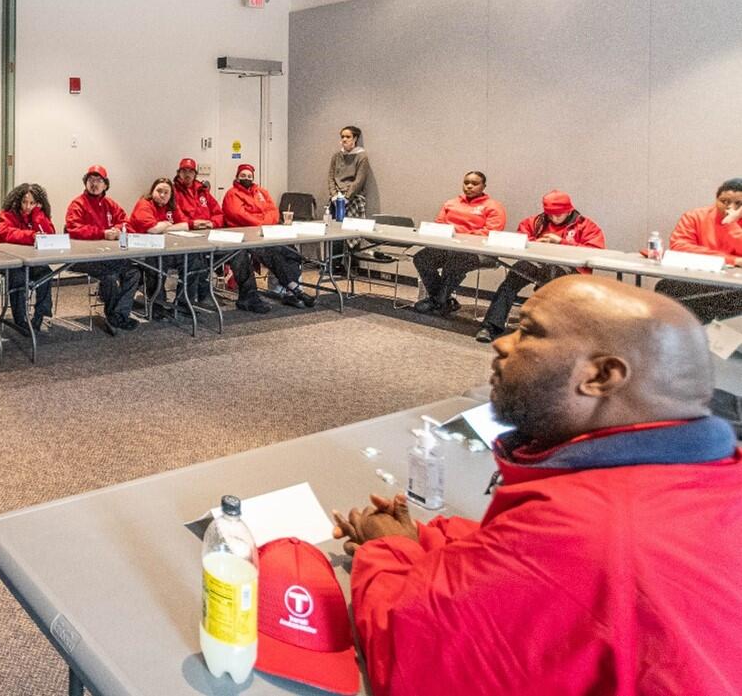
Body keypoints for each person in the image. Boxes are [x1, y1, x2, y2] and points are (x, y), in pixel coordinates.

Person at [333, 277, 742, 696]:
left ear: (601, 375)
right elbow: (539, 565)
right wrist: (431, 537)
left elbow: (411, 651)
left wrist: (384, 546)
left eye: (528, 331)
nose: (502, 344)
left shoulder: (583, 527)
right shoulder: (711, 477)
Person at [476, 189, 606, 342]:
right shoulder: (536, 221)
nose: (554, 218)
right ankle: (490, 326)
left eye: (558, 214)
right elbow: (520, 239)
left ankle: (547, 333)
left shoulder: (586, 226)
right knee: (512, 280)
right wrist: (535, 243)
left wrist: (562, 243)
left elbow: (596, 251)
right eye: (550, 214)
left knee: (552, 286)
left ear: (569, 210)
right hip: (536, 263)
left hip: (567, 268)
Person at [220, 164, 315, 310]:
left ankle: (291, 292)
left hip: (266, 233)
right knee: (272, 252)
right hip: (244, 237)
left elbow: (274, 212)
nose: (246, 178)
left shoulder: (262, 192)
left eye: (249, 176)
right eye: (243, 176)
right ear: (237, 177)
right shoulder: (232, 194)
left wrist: (264, 223)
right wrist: (261, 222)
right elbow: (239, 215)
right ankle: (295, 289)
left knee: (290, 250)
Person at [412, 171, 506, 316]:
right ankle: (444, 301)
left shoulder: (493, 206)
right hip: (449, 247)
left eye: (474, 184)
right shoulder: (451, 203)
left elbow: (491, 232)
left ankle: (437, 301)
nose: (469, 186)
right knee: (422, 257)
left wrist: (461, 237)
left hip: (479, 252)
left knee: (456, 261)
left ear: (484, 186)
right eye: (466, 182)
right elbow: (440, 224)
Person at [64, 164, 141, 334]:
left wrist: (118, 229)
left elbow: (126, 222)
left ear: (105, 185)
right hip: (81, 257)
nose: (95, 184)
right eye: (91, 180)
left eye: (99, 180)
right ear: (85, 183)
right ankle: (115, 317)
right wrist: (102, 233)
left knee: (133, 273)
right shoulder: (77, 204)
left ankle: (118, 315)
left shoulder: (110, 204)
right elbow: (73, 229)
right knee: (110, 276)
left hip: (107, 255)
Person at [658, 177, 742, 320]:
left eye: (738, 204)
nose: (730, 208)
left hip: (734, 285)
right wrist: (732, 260)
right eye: (724, 201)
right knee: (666, 286)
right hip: (697, 278)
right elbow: (679, 246)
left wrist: (731, 224)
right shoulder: (695, 216)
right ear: (716, 199)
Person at [0, 182, 55, 335]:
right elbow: (6, 233)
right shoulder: (8, 214)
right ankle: (20, 318)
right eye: (24, 202)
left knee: (46, 274)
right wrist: (31, 236)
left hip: (33, 261)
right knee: (18, 277)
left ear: (38, 204)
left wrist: (37, 216)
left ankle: (41, 316)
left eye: (32, 203)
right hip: (9, 261)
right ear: (18, 201)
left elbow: (49, 234)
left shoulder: (39, 215)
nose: (28, 206)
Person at [129, 177, 192, 317]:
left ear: (171, 195)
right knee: (155, 263)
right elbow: (152, 229)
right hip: (143, 252)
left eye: (166, 192)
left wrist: (164, 226)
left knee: (194, 261)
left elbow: (185, 226)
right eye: (159, 191)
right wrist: (166, 226)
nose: (162, 195)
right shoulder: (144, 204)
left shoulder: (172, 206)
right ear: (153, 191)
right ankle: (158, 307)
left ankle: (183, 304)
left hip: (168, 250)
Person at [329, 125, 388, 261]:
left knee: (353, 232)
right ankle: (335, 264)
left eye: (348, 137)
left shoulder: (362, 156)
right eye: (342, 137)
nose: (344, 139)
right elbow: (331, 177)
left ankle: (351, 265)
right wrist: (334, 195)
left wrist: (347, 197)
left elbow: (359, 180)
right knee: (334, 231)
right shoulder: (336, 156)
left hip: (353, 198)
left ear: (355, 138)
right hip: (336, 197)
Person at [172, 157, 222, 305]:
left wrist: (213, 223)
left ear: (195, 174)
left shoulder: (203, 191)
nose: (187, 174)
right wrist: (192, 224)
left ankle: (248, 296)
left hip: (208, 235)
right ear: (179, 173)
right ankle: (188, 300)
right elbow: (175, 217)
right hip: (184, 238)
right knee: (197, 257)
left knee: (239, 253)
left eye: (191, 171)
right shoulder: (172, 191)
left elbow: (218, 213)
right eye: (184, 171)